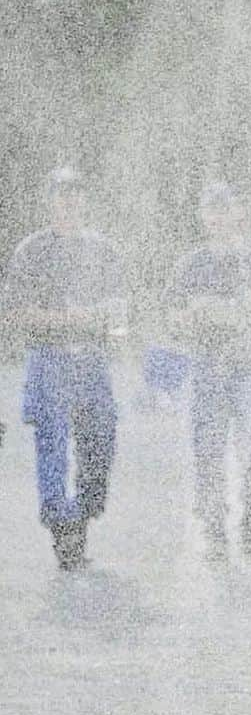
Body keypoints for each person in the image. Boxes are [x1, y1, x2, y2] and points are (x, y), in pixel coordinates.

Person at [167, 182, 251, 564]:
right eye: (212, 209)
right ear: (203, 216)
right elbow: (171, 317)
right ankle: (214, 532)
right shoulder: (191, 263)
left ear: (239, 212)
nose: (219, 217)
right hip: (208, 370)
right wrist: (195, 313)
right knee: (207, 453)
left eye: (226, 208)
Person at [4, 166, 127, 571]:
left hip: (91, 360)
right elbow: (20, 314)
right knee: (52, 444)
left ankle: (84, 512)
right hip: (49, 360)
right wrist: (69, 319)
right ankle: (63, 529)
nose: (69, 201)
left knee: (100, 443)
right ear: (50, 201)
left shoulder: (104, 250)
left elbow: (120, 314)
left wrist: (110, 330)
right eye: (61, 194)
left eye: (76, 194)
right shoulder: (32, 251)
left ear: (85, 201)